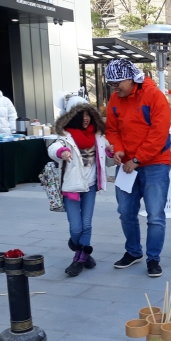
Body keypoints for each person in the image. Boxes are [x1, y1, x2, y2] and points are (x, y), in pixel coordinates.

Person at [105, 59, 171, 278]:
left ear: (131, 78)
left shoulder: (154, 96)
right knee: (125, 212)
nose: (114, 87)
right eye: (111, 83)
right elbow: (112, 130)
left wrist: (138, 159)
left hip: (155, 163)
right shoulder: (115, 99)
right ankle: (133, 252)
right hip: (127, 164)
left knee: (154, 215)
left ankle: (153, 259)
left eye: (117, 83)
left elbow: (159, 134)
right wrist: (120, 151)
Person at [48, 103, 113, 276]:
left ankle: (79, 260)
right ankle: (82, 250)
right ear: (74, 117)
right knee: (76, 227)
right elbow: (52, 148)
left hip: (90, 186)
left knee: (87, 224)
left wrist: (112, 154)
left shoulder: (98, 135)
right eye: (82, 115)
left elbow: (107, 160)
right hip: (72, 187)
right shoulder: (66, 135)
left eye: (88, 114)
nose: (86, 118)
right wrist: (62, 152)